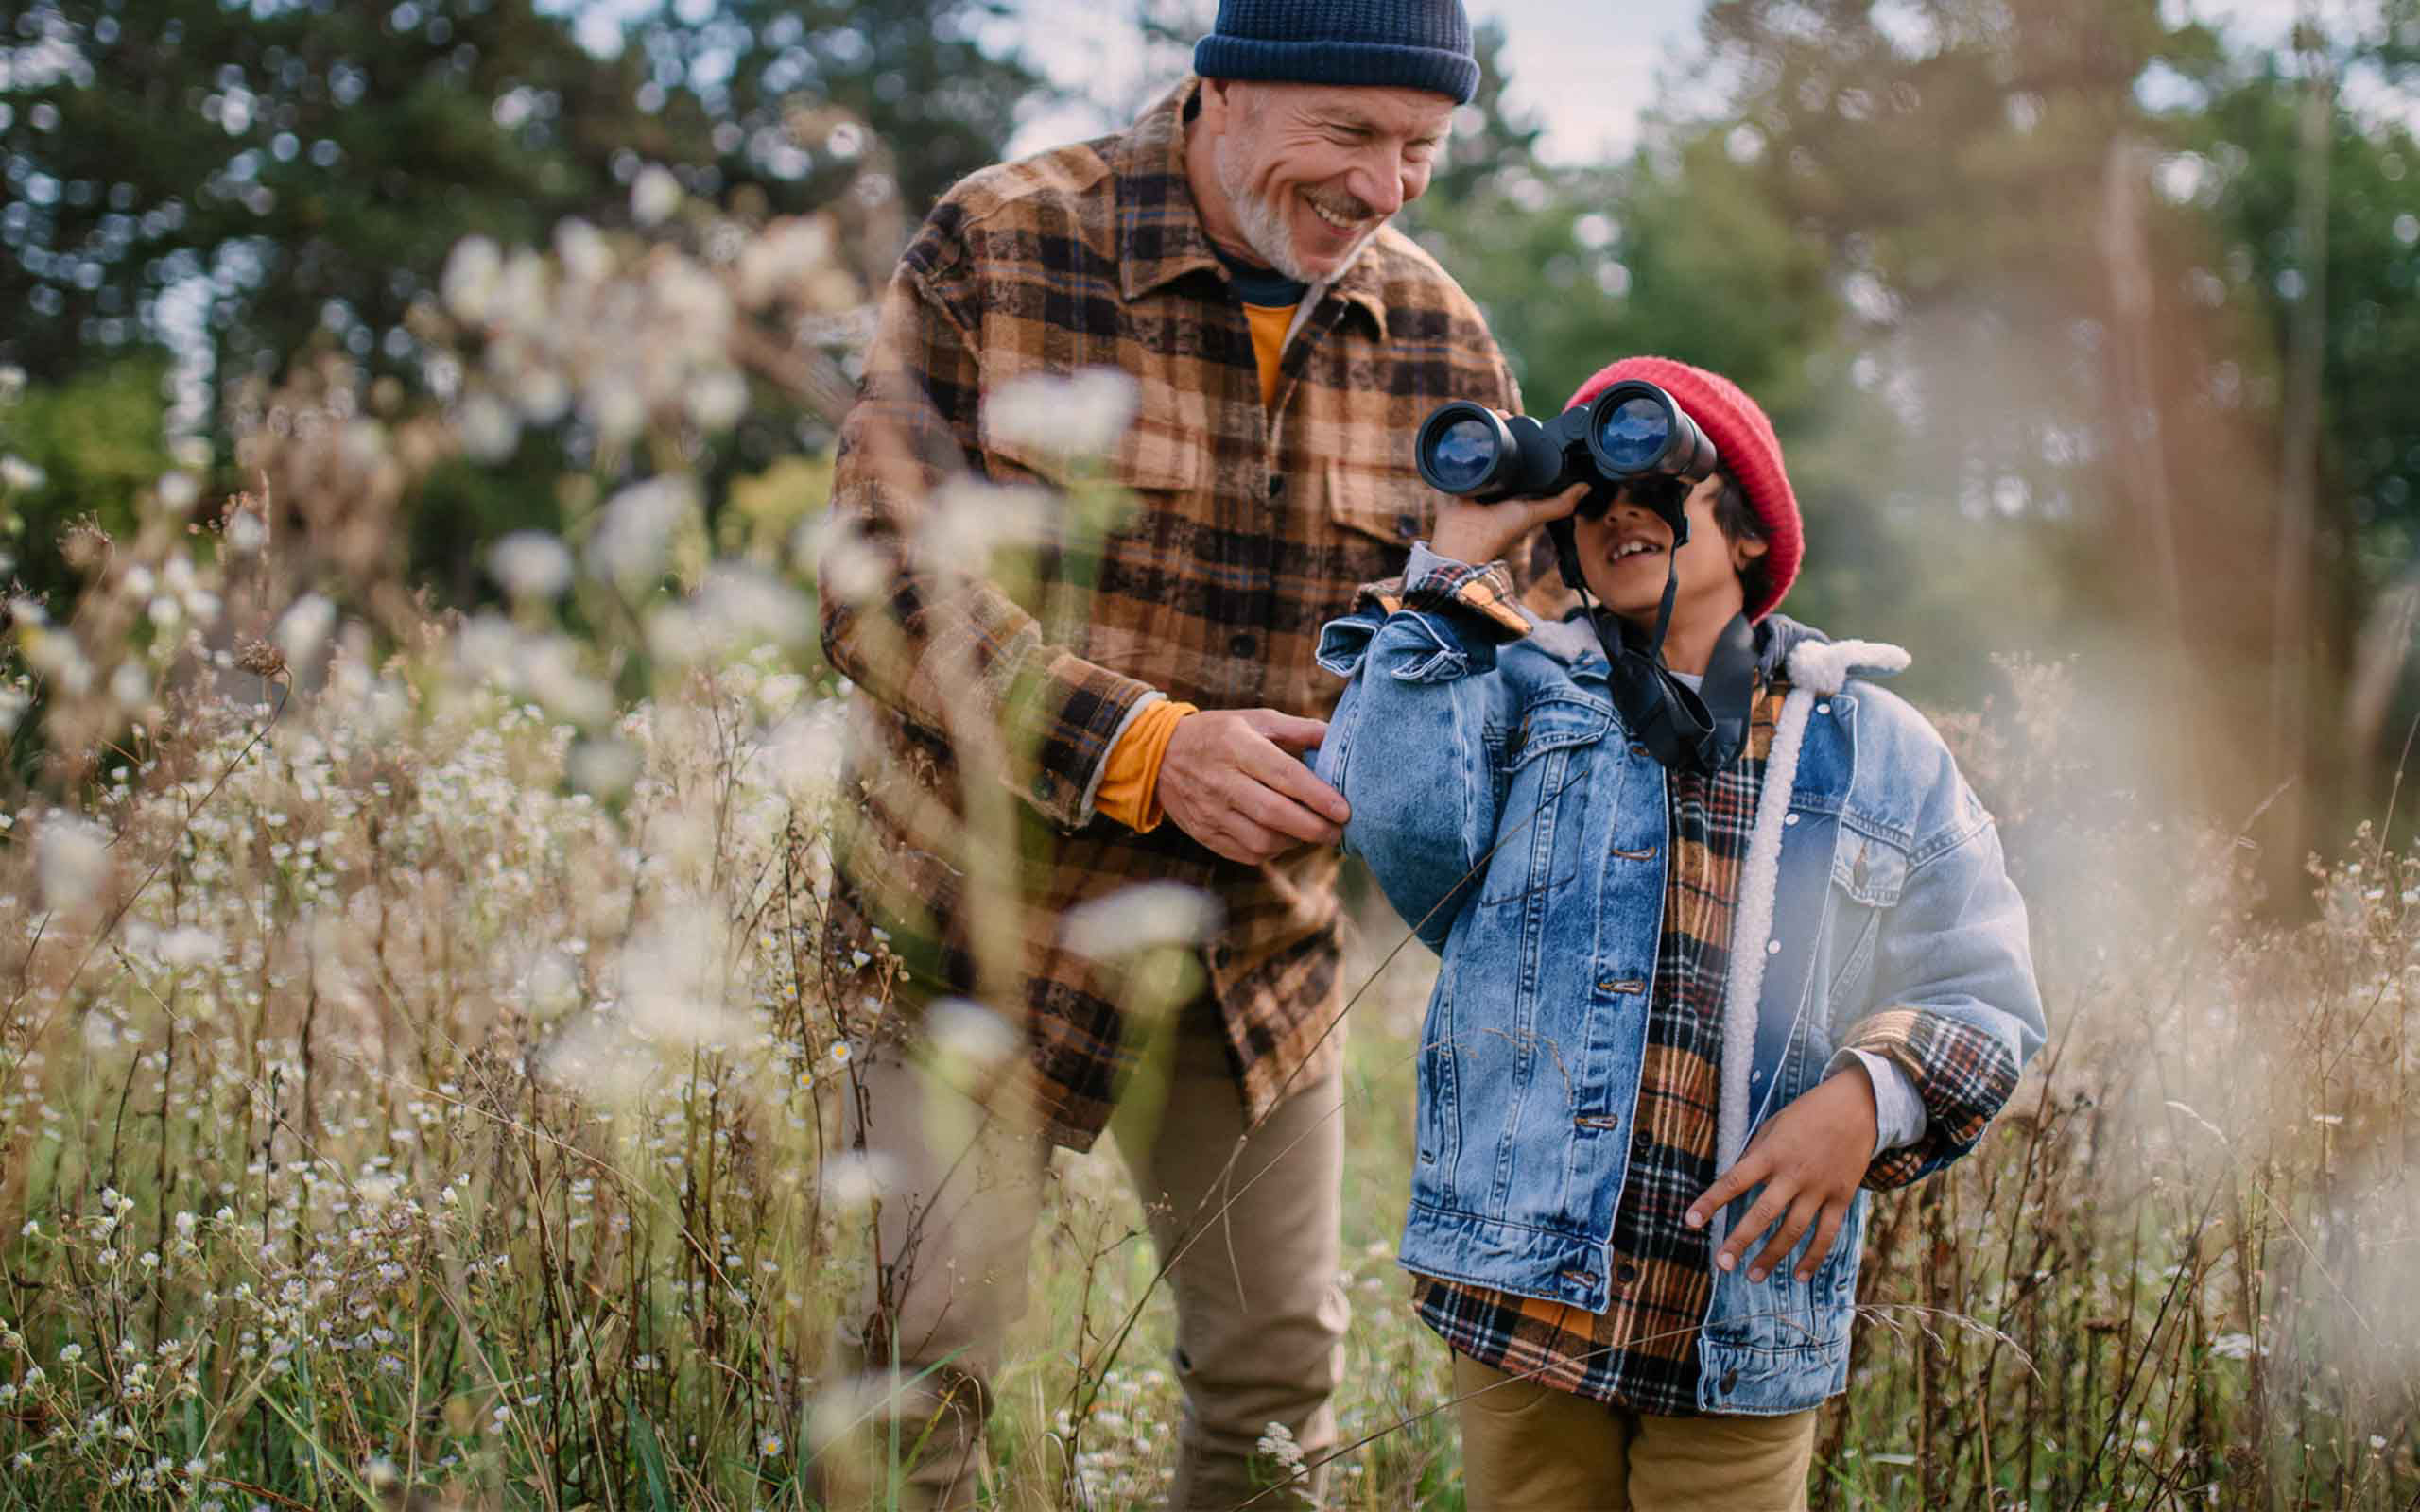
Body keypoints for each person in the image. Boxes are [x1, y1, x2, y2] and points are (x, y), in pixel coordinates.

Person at [814, 2, 1547, 1504]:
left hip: (1256, 961)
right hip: (972, 935)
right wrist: (1145, 749)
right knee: (913, 1375)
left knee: (1277, 1391)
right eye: (1347, 134)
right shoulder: (1003, 244)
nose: (1385, 187)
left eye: (1421, 148)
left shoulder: (1441, 340)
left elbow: (1489, 679)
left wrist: (1473, 611)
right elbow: (878, 581)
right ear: (1218, 90)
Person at [1311, 356, 2047, 1509]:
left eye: (1658, 481)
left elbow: (1985, 990)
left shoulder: (1878, 746)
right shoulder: (1511, 694)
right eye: (1592, 492)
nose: (1621, 512)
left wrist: (1866, 1098)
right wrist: (1457, 561)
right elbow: (1395, 819)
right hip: (1524, 1286)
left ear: (1749, 532)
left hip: (1744, 1310)